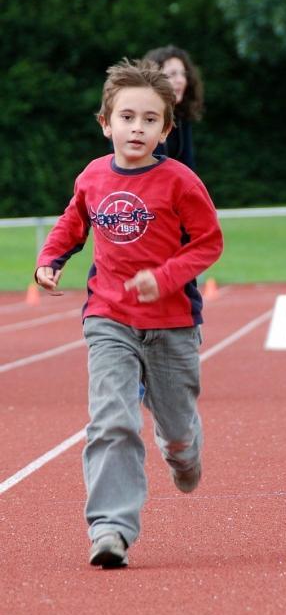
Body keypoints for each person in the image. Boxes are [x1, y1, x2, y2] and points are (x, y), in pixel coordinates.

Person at [35, 58, 223, 568]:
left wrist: (162, 278)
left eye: (148, 120)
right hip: (109, 317)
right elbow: (73, 223)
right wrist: (50, 260)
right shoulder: (94, 177)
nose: (135, 127)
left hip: (172, 325)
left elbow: (208, 243)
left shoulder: (181, 182)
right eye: (126, 117)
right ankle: (111, 528)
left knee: (177, 426)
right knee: (111, 419)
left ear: (166, 129)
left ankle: (181, 448)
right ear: (105, 123)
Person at [144, 44, 204, 169]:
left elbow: (188, 167)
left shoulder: (181, 117)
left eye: (183, 74)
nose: (181, 80)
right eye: (172, 74)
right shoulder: (138, 116)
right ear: (154, 79)